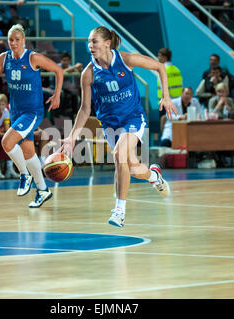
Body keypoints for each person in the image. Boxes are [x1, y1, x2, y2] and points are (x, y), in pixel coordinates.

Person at [60, 26, 177, 227]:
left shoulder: (126, 60)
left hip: (133, 117)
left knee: (118, 155)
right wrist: (72, 136)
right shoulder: (88, 74)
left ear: (107, 43)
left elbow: (159, 66)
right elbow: (85, 109)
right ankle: (154, 176)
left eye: (94, 41)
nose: (90, 45)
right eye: (89, 41)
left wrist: (165, 96)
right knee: (132, 168)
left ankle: (119, 211)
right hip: (110, 124)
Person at [0, 24, 63, 208]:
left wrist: (57, 94)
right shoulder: (3, 58)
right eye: (10, 40)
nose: (13, 43)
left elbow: (58, 71)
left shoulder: (33, 57)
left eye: (17, 40)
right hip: (16, 111)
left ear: (24, 41)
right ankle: (43, 190)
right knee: (29, 152)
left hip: (32, 111)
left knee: (6, 142)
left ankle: (24, 174)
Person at [157, 48, 183, 119]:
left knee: (165, 124)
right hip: (177, 102)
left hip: (165, 103)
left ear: (165, 58)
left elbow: (163, 89)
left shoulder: (162, 70)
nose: (158, 58)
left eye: (159, 56)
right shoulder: (177, 70)